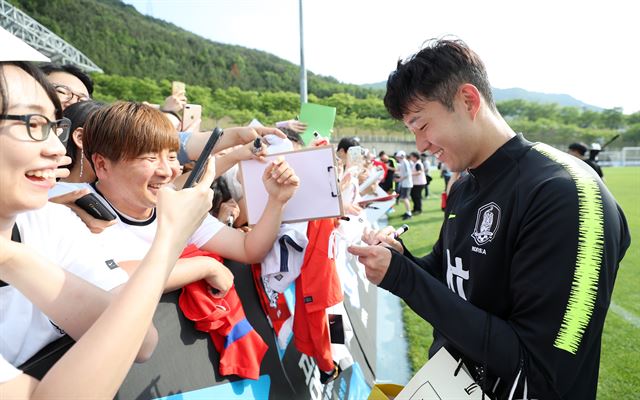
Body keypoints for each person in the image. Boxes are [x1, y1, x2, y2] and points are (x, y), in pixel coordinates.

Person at [348, 39, 630, 399]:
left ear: (468, 100)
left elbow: (536, 372)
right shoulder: (467, 185)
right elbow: (457, 279)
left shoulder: (564, 193)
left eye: (421, 125)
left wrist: (404, 278)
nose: (419, 145)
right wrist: (402, 259)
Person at [0, 60, 217, 398]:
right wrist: (169, 243)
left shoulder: (52, 221)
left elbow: (142, 341)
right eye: (32, 123)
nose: (57, 149)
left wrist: (12, 257)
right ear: (103, 164)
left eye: (53, 126)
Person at [393, 150, 413, 220]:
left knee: (405, 198)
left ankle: (409, 213)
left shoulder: (405, 162)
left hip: (406, 183)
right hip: (405, 183)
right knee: (404, 198)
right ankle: (408, 212)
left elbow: (407, 174)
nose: (397, 158)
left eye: (398, 157)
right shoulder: (403, 162)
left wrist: (399, 179)